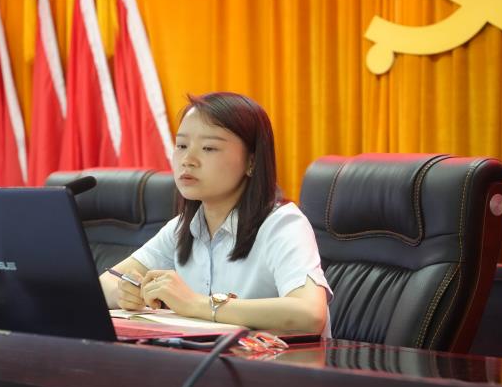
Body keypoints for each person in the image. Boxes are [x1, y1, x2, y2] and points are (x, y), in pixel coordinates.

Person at [99, 92, 332, 335]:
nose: (188, 160)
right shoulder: (183, 227)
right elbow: (104, 285)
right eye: (181, 146)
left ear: (251, 162)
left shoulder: (283, 224)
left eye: (209, 148)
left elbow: (310, 314)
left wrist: (196, 304)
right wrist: (125, 293)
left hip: (278, 358)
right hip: (208, 357)